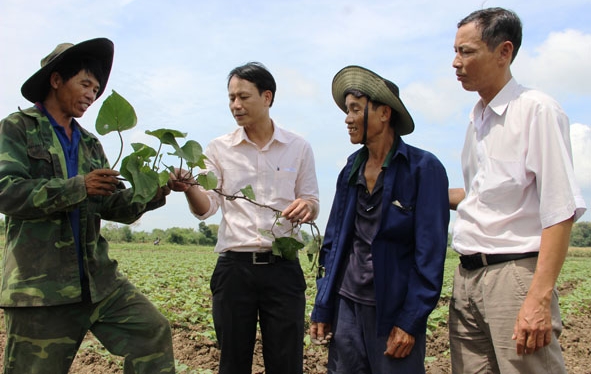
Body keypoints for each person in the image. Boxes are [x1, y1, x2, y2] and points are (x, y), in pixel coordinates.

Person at [0, 38, 175, 373]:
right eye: (85, 84)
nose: (91, 95)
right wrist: (79, 186)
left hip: (99, 284)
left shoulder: (91, 144)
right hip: (42, 289)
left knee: (151, 332)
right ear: (55, 80)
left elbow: (111, 207)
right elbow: (6, 191)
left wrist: (154, 192)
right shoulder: (17, 129)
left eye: (96, 89)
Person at [449, 7, 587, 373]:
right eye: (455, 51)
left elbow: (561, 209)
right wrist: (425, 192)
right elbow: (485, 194)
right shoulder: (477, 119)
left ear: (504, 52)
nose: (455, 62)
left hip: (513, 277)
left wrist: (538, 299)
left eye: (466, 52)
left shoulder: (536, 111)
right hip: (467, 278)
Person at [169, 62, 319, 374]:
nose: (236, 105)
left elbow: (312, 202)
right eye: (231, 98)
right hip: (235, 269)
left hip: (283, 268)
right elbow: (206, 208)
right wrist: (188, 188)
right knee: (233, 363)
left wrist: (306, 207)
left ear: (267, 97)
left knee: (287, 362)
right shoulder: (219, 149)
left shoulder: (298, 147)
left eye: (243, 97)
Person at [309, 65, 450, 373]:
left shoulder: (423, 170)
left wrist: (410, 321)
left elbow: (430, 255)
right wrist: (323, 304)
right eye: (347, 110)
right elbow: (333, 244)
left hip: (392, 311)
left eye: (355, 110)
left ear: (384, 113)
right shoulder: (350, 170)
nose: (347, 119)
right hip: (347, 307)